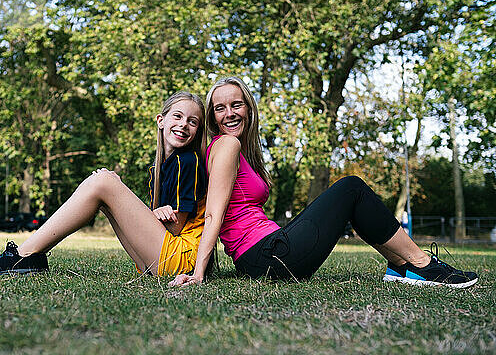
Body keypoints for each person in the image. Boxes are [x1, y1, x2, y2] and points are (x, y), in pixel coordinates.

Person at [169, 76, 478, 288]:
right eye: (220, 108)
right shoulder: (225, 145)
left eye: (236, 105)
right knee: (351, 188)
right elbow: (214, 213)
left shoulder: (238, 151)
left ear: (248, 109)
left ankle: (401, 267)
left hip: (267, 251)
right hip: (267, 256)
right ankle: (424, 265)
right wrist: (199, 274)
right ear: (212, 118)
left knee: (349, 193)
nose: (229, 113)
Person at [0, 92, 211, 277]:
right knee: (107, 183)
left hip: (180, 261)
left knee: (104, 180)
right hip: (161, 261)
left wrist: (146, 209)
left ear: (198, 130)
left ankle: (22, 256)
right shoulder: (160, 167)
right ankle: (27, 255)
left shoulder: (186, 161)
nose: (183, 124)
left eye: (192, 121)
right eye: (177, 116)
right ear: (161, 120)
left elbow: (176, 227)